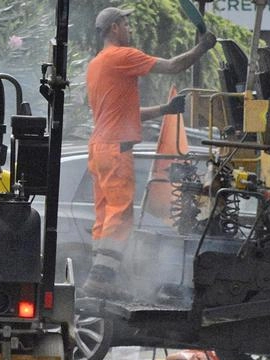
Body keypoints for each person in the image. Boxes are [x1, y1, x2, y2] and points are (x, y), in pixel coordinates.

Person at [83, 6, 216, 298]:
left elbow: (126, 113)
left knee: (104, 216)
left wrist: (164, 110)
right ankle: (101, 278)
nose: (130, 29)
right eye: (127, 24)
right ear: (115, 27)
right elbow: (172, 65)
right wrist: (202, 48)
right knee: (120, 214)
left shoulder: (97, 65)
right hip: (117, 150)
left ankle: (101, 275)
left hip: (99, 149)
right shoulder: (123, 56)